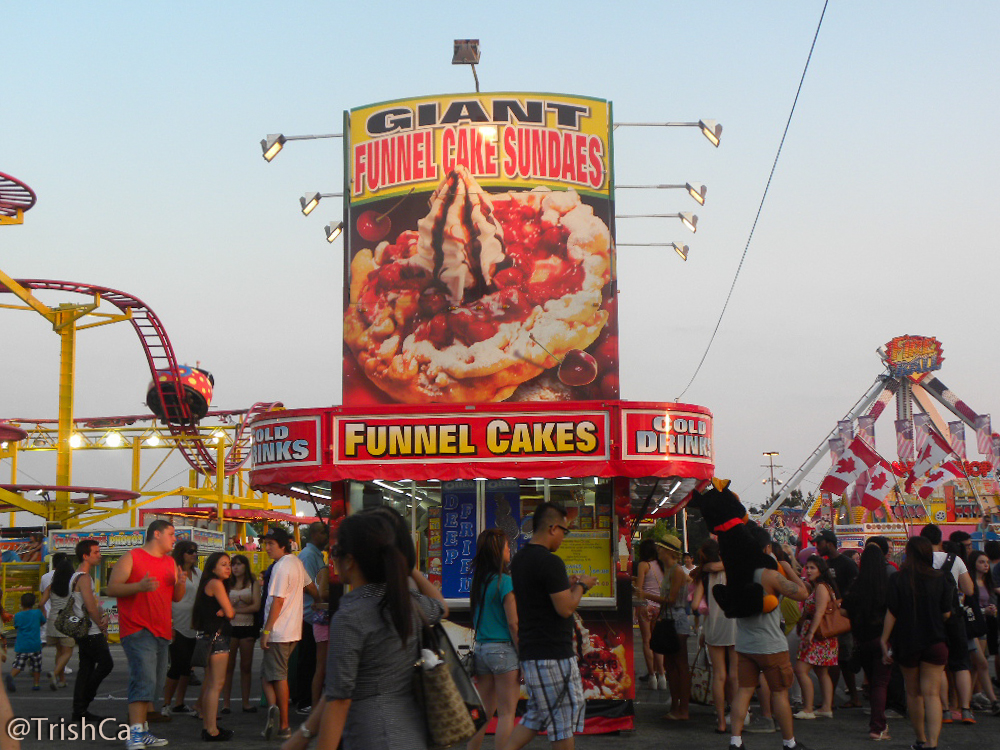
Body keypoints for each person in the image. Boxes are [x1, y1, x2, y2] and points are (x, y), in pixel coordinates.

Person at [307, 511, 447, 749]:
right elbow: (441, 607)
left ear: (350, 560)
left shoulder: (350, 616)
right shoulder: (409, 603)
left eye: (336, 552)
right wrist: (408, 568)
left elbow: (338, 700)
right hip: (412, 732)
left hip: (371, 734)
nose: (333, 559)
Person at [504, 501, 596, 750]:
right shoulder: (551, 562)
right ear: (553, 528)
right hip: (553, 653)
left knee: (536, 715)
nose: (564, 538)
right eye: (564, 531)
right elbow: (565, 607)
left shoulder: (521, 559)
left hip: (533, 650)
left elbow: (539, 593)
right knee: (562, 720)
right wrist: (582, 586)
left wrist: (564, 584)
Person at [729, 524, 811, 750]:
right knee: (780, 693)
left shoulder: (735, 575)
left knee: (744, 691)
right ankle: (789, 743)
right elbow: (803, 592)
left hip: (745, 643)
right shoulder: (769, 575)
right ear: (766, 549)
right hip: (771, 644)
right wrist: (787, 566)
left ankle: (735, 741)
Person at [107, 519, 187, 749]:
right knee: (144, 679)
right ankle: (134, 734)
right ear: (157, 534)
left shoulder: (170, 562)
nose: (175, 539)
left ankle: (142, 731)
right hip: (137, 628)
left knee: (154, 684)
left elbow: (176, 597)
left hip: (162, 630)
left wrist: (180, 583)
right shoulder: (132, 557)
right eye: (171, 534)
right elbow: (112, 588)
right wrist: (138, 587)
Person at [881, 536, 953, 750]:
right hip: (935, 640)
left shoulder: (898, 579)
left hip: (907, 642)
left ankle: (920, 739)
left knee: (913, 693)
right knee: (932, 694)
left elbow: (891, 613)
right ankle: (933, 743)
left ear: (909, 554)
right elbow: (947, 613)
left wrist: (884, 641)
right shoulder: (942, 578)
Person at [467, 528, 519, 750]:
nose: (510, 551)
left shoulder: (479, 581)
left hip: (481, 650)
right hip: (505, 652)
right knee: (507, 713)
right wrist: (524, 653)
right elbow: (513, 623)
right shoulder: (505, 581)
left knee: (485, 712)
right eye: (507, 547)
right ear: (499, 552)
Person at [920, 523, 975, 723]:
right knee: (961, 664)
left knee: (939, 665)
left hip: (931, 618)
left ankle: (944, 711)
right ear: (941, 540)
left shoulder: (920, 561)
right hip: (955, 616)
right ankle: (966, 710)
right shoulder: (955, 559)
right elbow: (969, 590)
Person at [260, 527, 309, 741]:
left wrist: (266, 631)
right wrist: (318, 601)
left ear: (283, 545)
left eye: (271, 544)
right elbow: (311, 585)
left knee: (278, 676)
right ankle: (274, 709)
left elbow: (277, 601)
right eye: (266, 543)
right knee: (269, 675)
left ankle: (283, 724)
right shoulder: (296, 562)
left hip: (279, 631)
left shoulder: (281, 567)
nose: (267, 548)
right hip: (294, 630)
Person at [841, 544, 892, 739]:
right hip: (882, 639)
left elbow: (844, 610)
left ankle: (877, 724)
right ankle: (878, 727)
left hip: (862, 639)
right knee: (880, 683)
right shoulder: (887, 583)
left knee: (872, 682)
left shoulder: (857, 584)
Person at [691, 539, 738, 735]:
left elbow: (694, 606)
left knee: (719, 675)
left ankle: (720, 722)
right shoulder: (735, 570)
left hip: (713, 627)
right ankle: (737, 721)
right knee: (735, 675)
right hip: (735, 625)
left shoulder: (702, 575)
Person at [811, 529, 860, 708]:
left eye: (819, 543)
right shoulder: (825, 564)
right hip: (828, 618)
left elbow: (855, 587)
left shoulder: (846, 563)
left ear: (829, 543)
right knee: (832, 659)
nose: (817, 547)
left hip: (842, 617)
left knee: (844, 659)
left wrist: (841, 602)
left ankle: (854, 696)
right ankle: (829, 699)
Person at [646, 534, 692, 721]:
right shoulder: (672, 570)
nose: (658, 552)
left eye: (661, 549)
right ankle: (677, 706)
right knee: (672, 665)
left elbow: (671, 600)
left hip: (676, 620)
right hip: (672, 618)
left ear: (668, 551)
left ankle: (683, 709)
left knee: (679, 665)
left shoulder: (677, 572)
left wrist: (646, 595)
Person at [192, 552, 236, 741]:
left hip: (210, 637)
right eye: (223, 564)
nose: (228, 568)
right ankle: (211, 729)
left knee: (212, 684)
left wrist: (223, 612)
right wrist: (225, 612)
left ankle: (209, 726)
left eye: (229, 564)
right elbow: (231, 612)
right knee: (216, 685)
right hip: (218, 639)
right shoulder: (216, 584)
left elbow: (225, 612)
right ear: (212, 568)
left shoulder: (208, 584)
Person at [69, 539, 114, 722]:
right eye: (96, 552)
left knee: (86, 668)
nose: (99, 555)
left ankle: (79, 710)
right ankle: (85, 699)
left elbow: (93, 603)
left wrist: (102, 616)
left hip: (83, 629)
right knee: (105, 664)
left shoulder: (77, 576)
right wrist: (101, 623)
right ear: (85, 556)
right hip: (90, 630)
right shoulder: (84, 578)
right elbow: (90, 606)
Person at [793, 556, 839, 720]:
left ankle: (808, 708)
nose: (808, 570)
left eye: (812, 567)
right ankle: (826, 707)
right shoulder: (820, 586)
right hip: (824, 636)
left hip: (817, 636)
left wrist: (810, 634)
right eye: (807, 567)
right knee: (822, 672)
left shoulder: (820, 587)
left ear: (820, 569)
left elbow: (819, 611)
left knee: (800, 669)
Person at [162, 541, 201, 716]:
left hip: (194, 624)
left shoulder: (198, 573)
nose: (194, 554)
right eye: (190, 551)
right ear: (182, 553)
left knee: (187, 666)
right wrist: (168, 623)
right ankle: (166, 703)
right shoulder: (173, 572)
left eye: (195, 551)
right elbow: (166, 598)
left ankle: (179, 702)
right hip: (176, 621)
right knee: (177, 664)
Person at [293, 522, 328, 714]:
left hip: (314, 613)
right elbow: (307, 584)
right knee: (309, 661)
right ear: (314, 534)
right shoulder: (308, 556)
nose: (326, 537)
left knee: (314, 661)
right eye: (324, 533)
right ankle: (305, 700)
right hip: (309, 614)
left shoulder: (316, 555)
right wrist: (318, 597)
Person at [222, 554, 261, 714]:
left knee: (246, 666)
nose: (236, 567)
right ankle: (226, 703)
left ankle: (246, 702)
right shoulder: (227, 583)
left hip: (247, 627)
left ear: (246, 566)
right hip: (230, 627)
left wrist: (234, 610)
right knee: (228, 666)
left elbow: (256, 606)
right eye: (234, 564)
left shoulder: (253, 583)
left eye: (239, 564)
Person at [965, 550, 999, 713]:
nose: (986, 565)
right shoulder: (969, 582)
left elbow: (990, 601)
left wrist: (991, 609)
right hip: (972, 626)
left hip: (983, 625)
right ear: (973, 564)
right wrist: (983, 611)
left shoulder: (987, 582)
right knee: (981, 663)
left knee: (979, 664)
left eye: (986, 562)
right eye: (981, 562)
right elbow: (967, 606)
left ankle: (970, 698)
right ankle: (991, 700)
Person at [39, 554, 76, 690]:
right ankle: (54, 674)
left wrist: (43, 611)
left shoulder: (51, 586)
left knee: (59, 651)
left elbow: (41, 603)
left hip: (53, 619)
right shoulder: (73, 585)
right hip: (66, 620)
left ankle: (62, 680)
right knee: (67, 652)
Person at [634, 539, 665, 690]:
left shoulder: (643, 565)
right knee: (658, 642)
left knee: (647, 641)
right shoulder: (661, 565)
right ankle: (662, 676)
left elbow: (640, 589)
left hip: (646, 606)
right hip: (660, 606)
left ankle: (652, 676)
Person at [5, 593, 45, 692]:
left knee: (19, 664)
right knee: (36, 666)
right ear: (34, 603)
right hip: (35, 644)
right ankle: (36, 684)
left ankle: (11, 675)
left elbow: (16, 626)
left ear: (21, 603)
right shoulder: (37, 613)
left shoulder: (18, 615)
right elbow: (43, 621)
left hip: (22, 645)